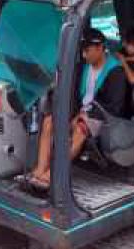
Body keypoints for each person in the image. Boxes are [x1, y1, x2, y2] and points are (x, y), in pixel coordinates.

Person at [24, 27, 128, 193]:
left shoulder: (116, 72)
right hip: (80, 113)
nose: (84, 55)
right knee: (49, 121)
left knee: (80, 129)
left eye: (88, 51)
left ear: (101, 48)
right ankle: (41, 168)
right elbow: (73, 95)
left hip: (102, 118)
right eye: (83, 51)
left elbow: (115, 106)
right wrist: (69, 113)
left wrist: (84, 115)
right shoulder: (83, 68)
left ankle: (53, 174)